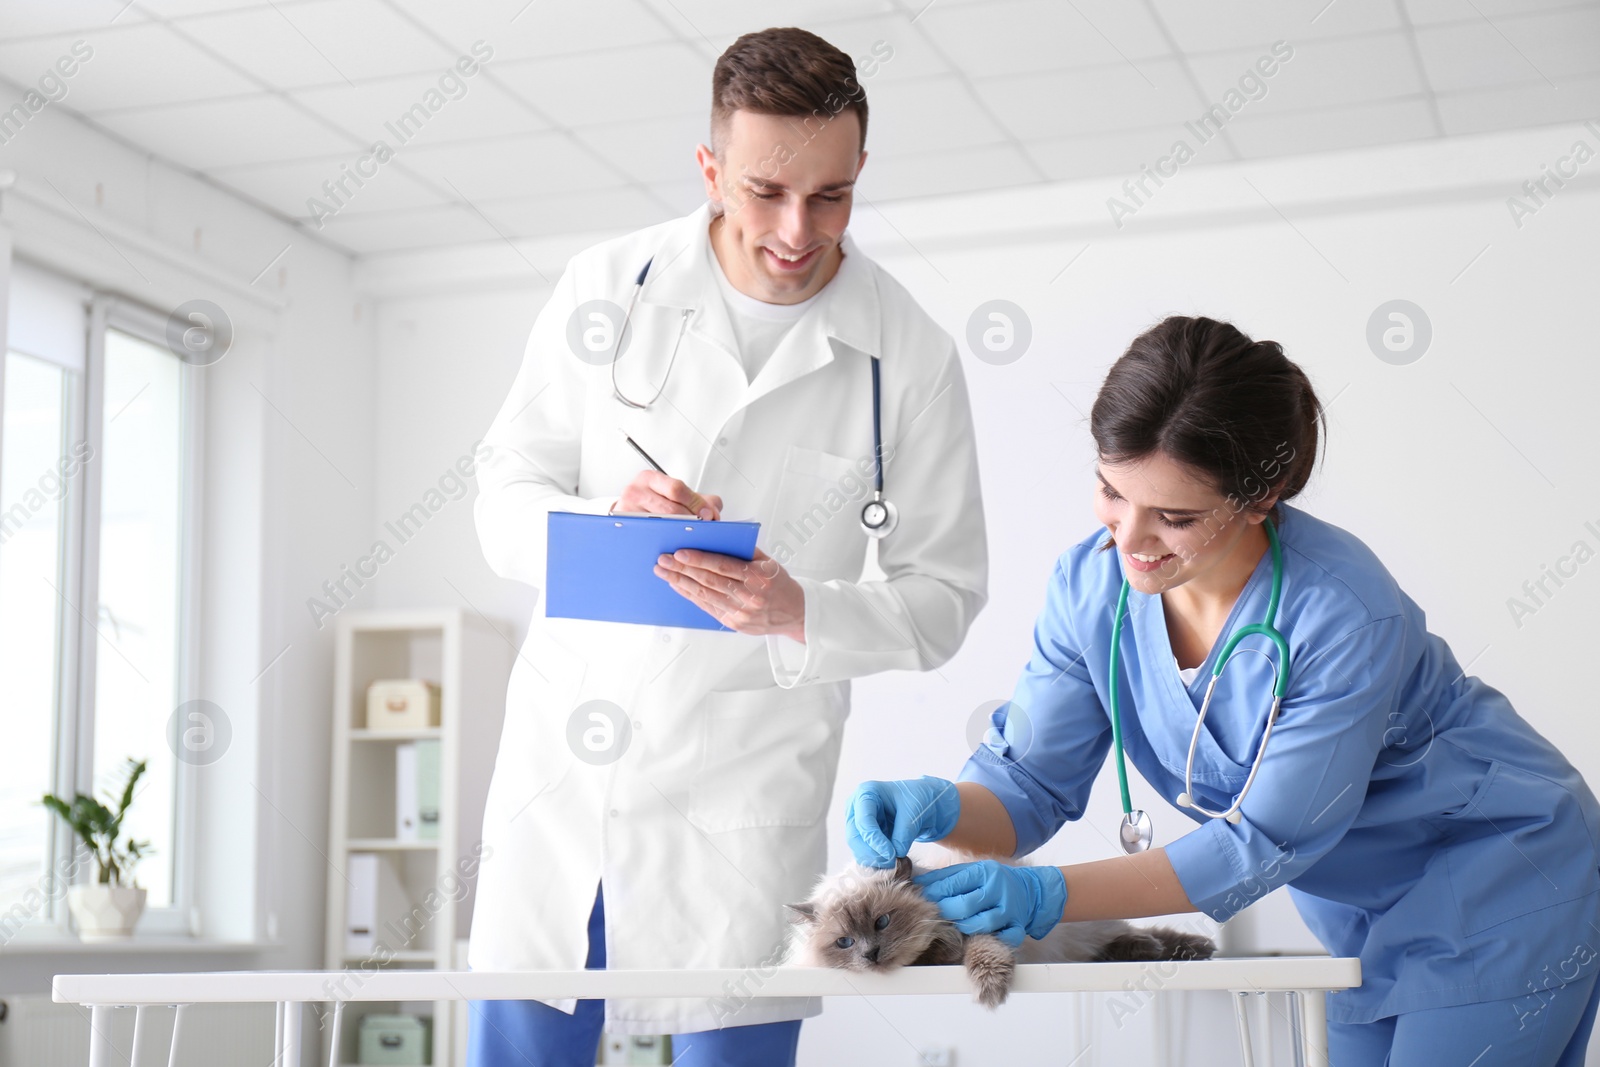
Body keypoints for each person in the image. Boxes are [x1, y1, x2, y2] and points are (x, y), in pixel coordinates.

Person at [845, 316, 1600, 1065]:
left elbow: (1264, 841)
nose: (1129, 540)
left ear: (1261, 494)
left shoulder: (1340, 611)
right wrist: (943, 804)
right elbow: (1028, 783)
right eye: (1111, 491)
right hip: (1358, 907)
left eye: (1175, 517)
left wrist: (1047, 896)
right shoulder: (1090, 586)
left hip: (1501, 875)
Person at [465, 27, 988, 1067]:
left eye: (831, 195)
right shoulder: (605, 288)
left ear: (860, 173)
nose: (799, 230)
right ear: (709, 169)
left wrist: (802, 608)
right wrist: (606, 517)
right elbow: (497, 500)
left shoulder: (910, 354)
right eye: (765, 191)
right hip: (571, 774)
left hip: (743, 791)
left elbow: (944, 598)